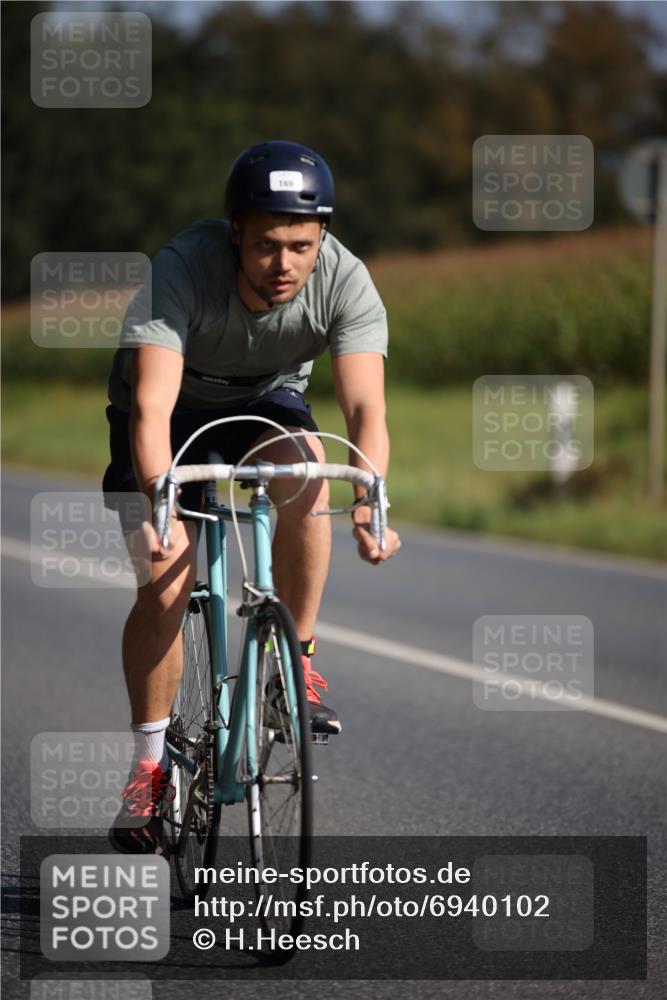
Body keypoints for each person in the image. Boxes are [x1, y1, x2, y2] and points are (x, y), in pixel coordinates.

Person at [102, 140, 401, 853]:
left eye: (301, 245)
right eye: (266, 245)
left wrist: (367, 502)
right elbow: (150, 410)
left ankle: (290, 662)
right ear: (235, 230)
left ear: (321, 236)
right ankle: (149, 769)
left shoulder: (345, 280)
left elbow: (366, 415)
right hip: (168, 414)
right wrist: (160, 507)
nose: (283, 265)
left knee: (310, 468)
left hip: (267, 403)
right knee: (166, 585)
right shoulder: (182, 268)